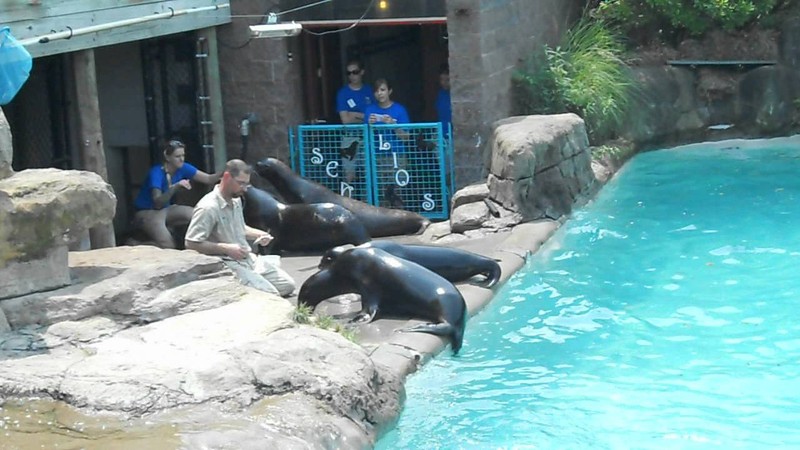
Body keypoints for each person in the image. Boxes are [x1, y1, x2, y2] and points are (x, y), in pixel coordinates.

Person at [184, 159, 296, 297]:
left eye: (246, 184)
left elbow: (240, 228)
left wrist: (259, 235)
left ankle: (250, 290)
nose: (244, 188)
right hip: (227, 263)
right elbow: (191, 243)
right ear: (226, 177)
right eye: (240, 183)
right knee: (270, 294)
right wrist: (226, 248)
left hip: (247, 259)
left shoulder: (235, 199)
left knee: (287, 285)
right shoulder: (208, 207)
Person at [132, 139, 221, 249]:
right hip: (147, 212)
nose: (181, 159)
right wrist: (176, 187)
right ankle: (135, 245)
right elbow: (157, 203)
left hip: (167, 209)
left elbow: (208, 179)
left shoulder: (183, 167)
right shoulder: (156, 172)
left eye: (183, 155)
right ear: (167, 157)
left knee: (196, 214)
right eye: (177, 156)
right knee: (168, 246)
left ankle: (203, 243)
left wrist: (226, 171)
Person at [364, 78, 411, 208]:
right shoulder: (369, 110)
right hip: (378, 156)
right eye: (377, 91)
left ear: (389, 91)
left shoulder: (400, 110)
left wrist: (393, 124)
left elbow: (406, 137)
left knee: (398, 189)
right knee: (381, 191)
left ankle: (401, 218)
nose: (380, 93)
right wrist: (369, 125)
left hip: (397, 156)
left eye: (383, 90)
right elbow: (364, 135)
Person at [336, 59, 374, 183]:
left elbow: (373, 117)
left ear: (362, 72)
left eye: (355, 72)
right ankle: (348, 201)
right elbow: (345, 120)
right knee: (349, 175)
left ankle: (365, 201)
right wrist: (363, 116)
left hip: (367, 137)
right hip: (349, 137)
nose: (352, 76)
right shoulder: (343, 93)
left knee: (369, 173)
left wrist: (354, 114)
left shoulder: (369, 91)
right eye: (349, 73)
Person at [435, 63, 452, 141]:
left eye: (447, 80)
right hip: (442, 135)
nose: (443, 83)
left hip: (453, 135)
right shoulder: (441, 94)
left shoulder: (456, 96)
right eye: (441, 80)